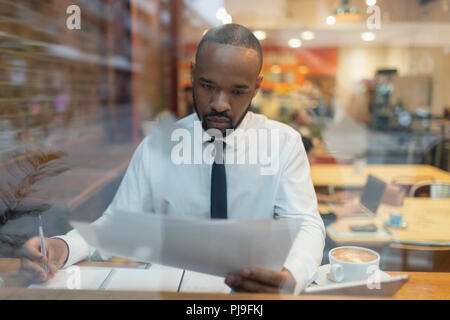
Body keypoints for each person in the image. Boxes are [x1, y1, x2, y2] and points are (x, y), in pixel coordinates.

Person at [19, 24, 325, 295]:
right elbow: (118, 226)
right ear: (191, 73)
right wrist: (62, 247)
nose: (220, 104)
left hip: (249, 297)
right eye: (207, 86)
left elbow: (307, 224)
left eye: (237, 91)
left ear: (257, 87)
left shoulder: (283, 144)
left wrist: (291, 276)